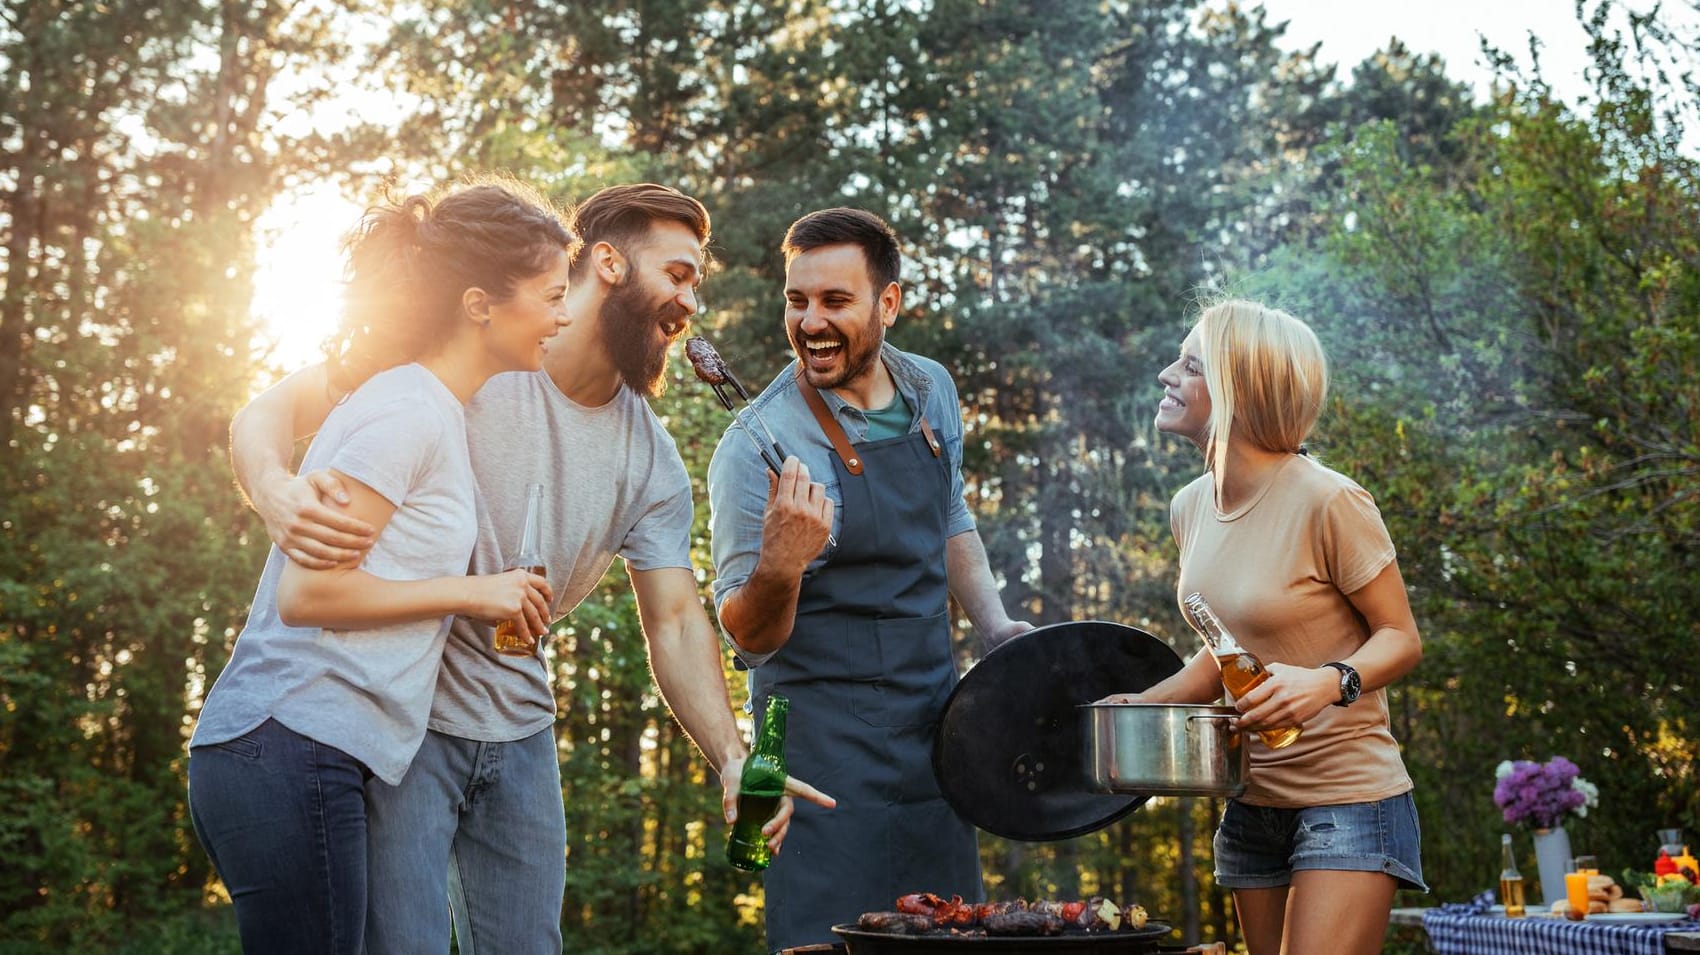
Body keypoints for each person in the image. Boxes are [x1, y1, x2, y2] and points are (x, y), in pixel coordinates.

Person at [228, 183, 833, 955]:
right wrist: (275, 490)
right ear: (608, 263)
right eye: (678, 275)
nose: (691, 303)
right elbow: (267, 412)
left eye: (695, 284)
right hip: (406, 718)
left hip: (520, 733)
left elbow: (676, 619)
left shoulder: (653, 462)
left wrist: (733, 754)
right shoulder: (474, 355)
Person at [188, 179, 572, 954]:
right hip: (286, 741)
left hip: (309, 751)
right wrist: (475, 592)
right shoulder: (406, 408)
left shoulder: (429, 406)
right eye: (552, 295)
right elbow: (310, 592)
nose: (564, 316)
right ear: (479, 304)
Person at [706, 207, 1031, 952]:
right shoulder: (753, 445)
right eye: (797, 300)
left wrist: (998, 626)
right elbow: (747, 634)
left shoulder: (930, 391)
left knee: (949, 934)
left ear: (887, 303)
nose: (811, 321)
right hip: (813, 762)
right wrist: (782, 562)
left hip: (932, 737)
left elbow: (950, 518)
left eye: (834, 300)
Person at [1103, 299, 1425, 955]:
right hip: (1253, 804)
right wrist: (1138, 707)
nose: (1167, 374)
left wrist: (1329, 681)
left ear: (1239, 393)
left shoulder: (1328, 499)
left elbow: (1401, 637)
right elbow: (1224, 651)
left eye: (1191, 365)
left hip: (1350, 802)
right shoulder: (1189, 507)